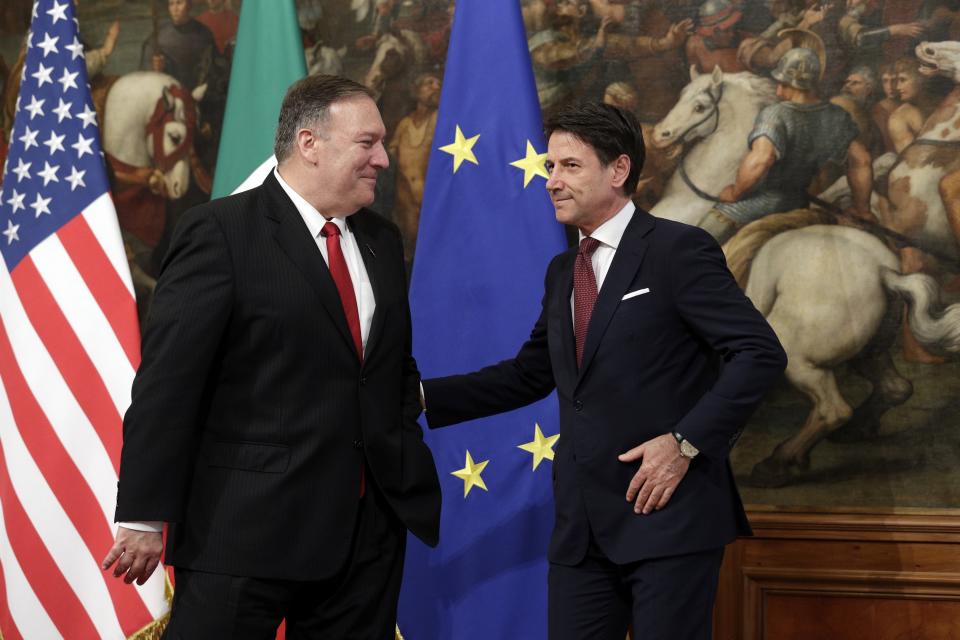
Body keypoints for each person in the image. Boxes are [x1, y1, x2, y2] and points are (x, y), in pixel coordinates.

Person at [421, 101, 787, 640]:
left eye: (569, 166)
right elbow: (530, 374)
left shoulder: (677, 250)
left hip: (666, 514)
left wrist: (685, 442)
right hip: (581, 530)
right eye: (550, 166)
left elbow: (760, 353)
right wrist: (418, 396)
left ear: (618, 170)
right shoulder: (562, 270)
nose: (551, 181)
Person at [102, 75, 442, 638]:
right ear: (310, 143)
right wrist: (142, 516)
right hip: (240, 535)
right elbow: (168, 385)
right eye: (368, 143)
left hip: (365, 541)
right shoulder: (220, 232)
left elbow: (388, 374)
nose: (384, 158)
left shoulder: (382, 240)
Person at [707, 47, 873, 243]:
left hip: (767, 203)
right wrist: (862, 209)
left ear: (791, 82)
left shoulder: (776, 114)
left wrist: (735, 192)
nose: (778, 91)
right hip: (800, 203)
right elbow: (861, 161)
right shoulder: (837, 116)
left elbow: (761, 160)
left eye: (782, 84)